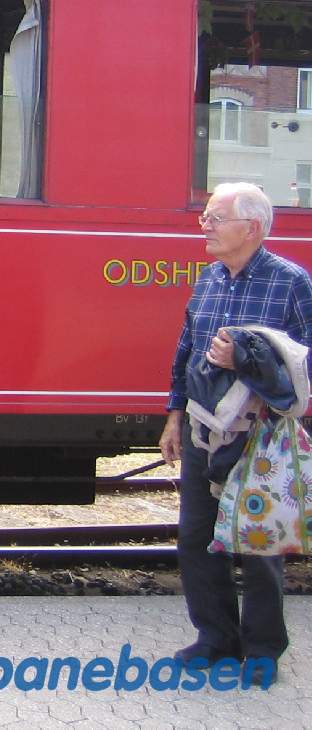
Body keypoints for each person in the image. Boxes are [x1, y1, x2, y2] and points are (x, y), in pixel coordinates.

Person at [160, 181, 312, 684]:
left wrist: (242, 358)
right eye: (205, 216)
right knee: (196, 538)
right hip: (206, 430)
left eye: (214, 217)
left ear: (252, 228)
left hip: (261, 434)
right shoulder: (207, 280)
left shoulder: (291, 282)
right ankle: (215, 638)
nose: (204, 225)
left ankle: (264, 650)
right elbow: (186, 351)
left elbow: (306, 360)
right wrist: (174, 415)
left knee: (258, 543)